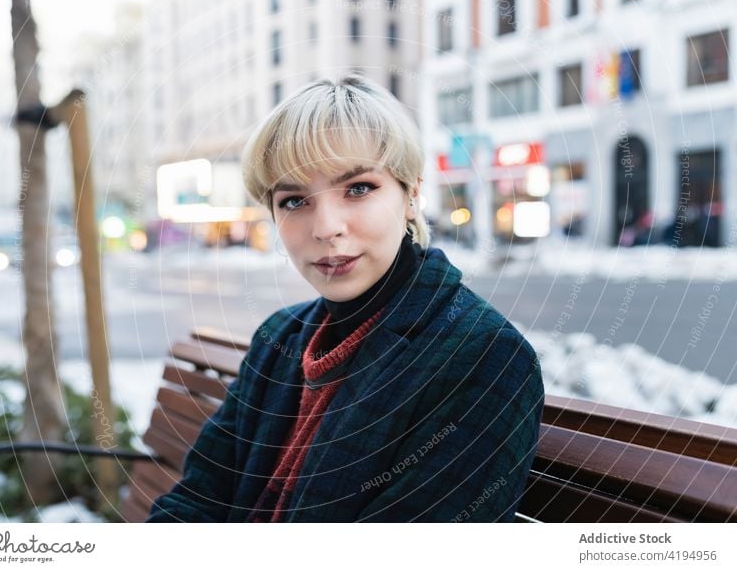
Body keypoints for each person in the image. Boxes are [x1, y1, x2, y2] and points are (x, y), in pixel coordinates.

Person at [147, 75, 544, 523]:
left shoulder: (482, 357)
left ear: (411, 194)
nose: (326, 227)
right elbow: (200, 495)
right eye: (295, 201)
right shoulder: (281, 337)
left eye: (358, 188)